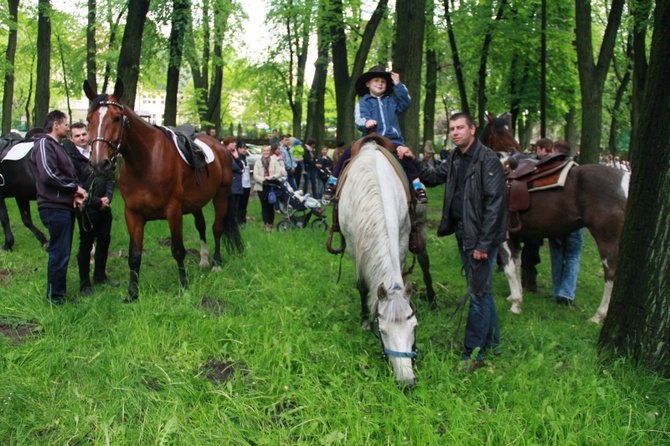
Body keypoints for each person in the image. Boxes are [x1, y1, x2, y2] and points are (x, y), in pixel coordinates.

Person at [418, 112, 506, 372]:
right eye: (452, 129)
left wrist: (483, 244)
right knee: (481, 289)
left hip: (479, 237)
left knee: (478, 294)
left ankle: (473, 354)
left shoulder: (487, 159)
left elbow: (495, 206)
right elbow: (432, 178)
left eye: (460, 128)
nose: (455, 132)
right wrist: (412, 161)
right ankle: (494, 343)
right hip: (462, 233)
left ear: (472, 130)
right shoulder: (456, 157)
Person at [322, 66, 428, 204]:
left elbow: (406, 102)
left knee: (405, 156)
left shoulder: (391, 101)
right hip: (370, 138)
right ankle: (333, 181)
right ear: (368, 84)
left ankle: (417, 185)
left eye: (383, 81)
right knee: (347, 153)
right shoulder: (364, 102)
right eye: (376, 80)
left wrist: (398, 85)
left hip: (392, 139)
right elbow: (359, 118)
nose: (380, 83)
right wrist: (366, 123)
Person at [30, 110, 88, 305]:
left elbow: (66, 174)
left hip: (63, 206)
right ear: (55, 125)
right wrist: (75, 188)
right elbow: (48, 175)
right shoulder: (45, 144)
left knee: (62, 252)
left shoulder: (58, 146)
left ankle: (58, 294)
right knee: (58, 253)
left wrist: (74, 195)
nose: (67, 127)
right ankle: (55, 298)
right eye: (65, 124)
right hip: (54, 208)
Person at [63, 122, 117, 296]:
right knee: (86, 244)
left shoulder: (97, 152)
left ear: (88, 134)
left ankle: (100, 275)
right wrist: (96, 202)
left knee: (104, 241)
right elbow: (76, 185)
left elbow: (109, 176)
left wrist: (108, 198)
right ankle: (84, 283)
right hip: (87, 209)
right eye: (77, 136)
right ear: (71, 138)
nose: (81, 138)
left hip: (105, 207)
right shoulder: (70, 158)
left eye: (84, 134)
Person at [548, 140, 583, 307]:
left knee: (557, 254)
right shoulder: (575, 170)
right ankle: (567, 293)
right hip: (573, 219)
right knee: (573, 255)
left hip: (554, 219)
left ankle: (557, 291)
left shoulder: (548, 172)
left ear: (554, 151)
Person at [519, 138, 553, 292]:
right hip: (527, 214)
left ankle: (529, 281)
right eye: (545, 149)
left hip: (535, 215)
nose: (547, 153)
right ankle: (528, 282)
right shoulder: (528, 165)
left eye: (549, 149)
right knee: (530, 250)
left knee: (532, 250)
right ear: (538, 149)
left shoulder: (546, 166)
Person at [253, 145, 283, 232]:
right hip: (261, 186)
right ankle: (266, 224)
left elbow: (278, 173)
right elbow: (255, 175)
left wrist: (271, 177)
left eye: (267, 151)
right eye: (264, 151)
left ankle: (271, 223)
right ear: (261, 152)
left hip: (272, 187)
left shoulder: (274, 162)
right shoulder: (257, 163)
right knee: (264, 206)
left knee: (271, 206)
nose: (265, 152)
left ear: (269, 152)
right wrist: (263, 180)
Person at [223, 136, 243, 223]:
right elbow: (236, 167)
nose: (234, 144)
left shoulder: (235, 154)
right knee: (231, 205)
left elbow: (241, 165)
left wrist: (237, 158)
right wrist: (240, 170)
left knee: (236, 205)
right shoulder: (226, 153)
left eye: (235, 142)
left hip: (237, 183)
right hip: (232, 182)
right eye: (232, 142)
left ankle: (233, 221)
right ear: (227, 144)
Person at [236, 141, 251, 226]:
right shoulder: (237, 159)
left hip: (247, 184)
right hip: (240, 185)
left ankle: (243, 220)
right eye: (243, 148)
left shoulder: (246, 158)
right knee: (239, 204)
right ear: (238, 149)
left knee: (244, 204)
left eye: (245, 148)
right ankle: (239, 221)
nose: (245, 150)